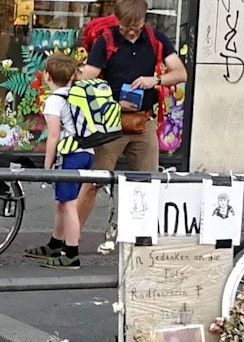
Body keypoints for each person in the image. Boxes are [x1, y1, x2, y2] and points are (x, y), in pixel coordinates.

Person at [73, 0, 187, 248]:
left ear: (144, 18)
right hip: (111, 122)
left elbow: (180, 72)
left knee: (148, 183)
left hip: (143, 123)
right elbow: (89, 74)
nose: (131, 31)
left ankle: (142, 241)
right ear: (117, 21)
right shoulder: (107, 40)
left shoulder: (156, 38)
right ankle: (71, 241)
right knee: (93, 182)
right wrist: (65, 77)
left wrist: (154, 80)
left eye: (135, 25)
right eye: (125, 27)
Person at [26, 54, 92, 270]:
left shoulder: (54, 100)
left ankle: (71, 252)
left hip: (70, 154)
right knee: (62, 202)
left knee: (69, 203)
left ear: (47, 75)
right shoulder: (77, 94)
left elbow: (53, 135)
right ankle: (56, 243)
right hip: (87, 152)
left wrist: (48, 164)